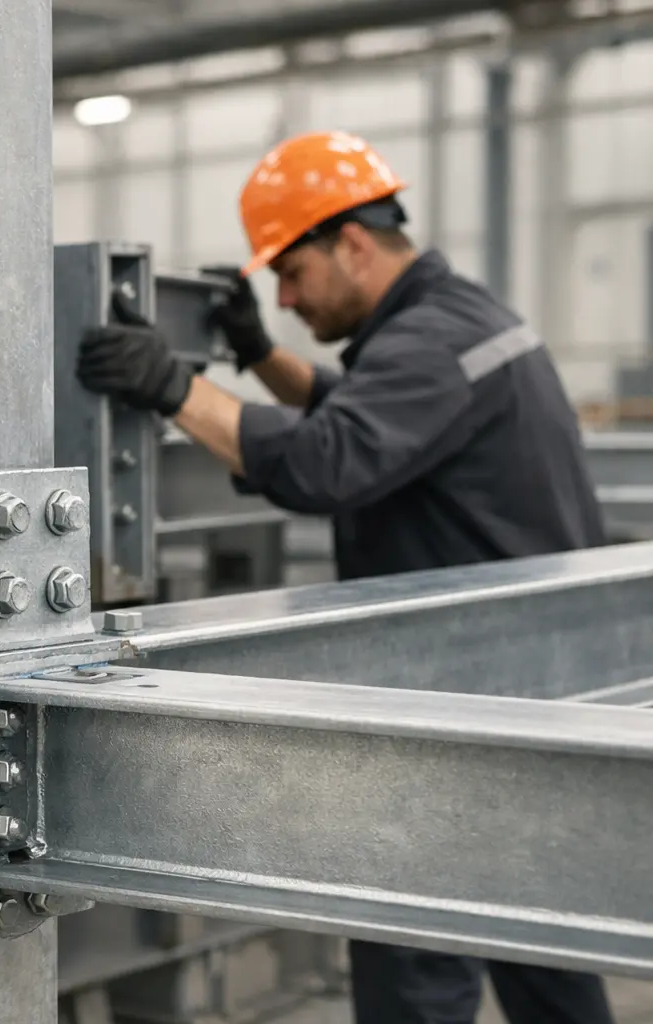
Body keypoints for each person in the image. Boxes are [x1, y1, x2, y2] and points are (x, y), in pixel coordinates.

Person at [77, 130, 613, 1024]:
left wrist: (173, 388)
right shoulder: (457, 325)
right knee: (540, 944)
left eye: (290, 275)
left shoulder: (434, 343)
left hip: (454, 712)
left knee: (416, 960)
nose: (283, 299)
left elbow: (331, 460)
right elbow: (362, 414)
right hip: (520, 692)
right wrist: (254, 358)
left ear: (352, 244)